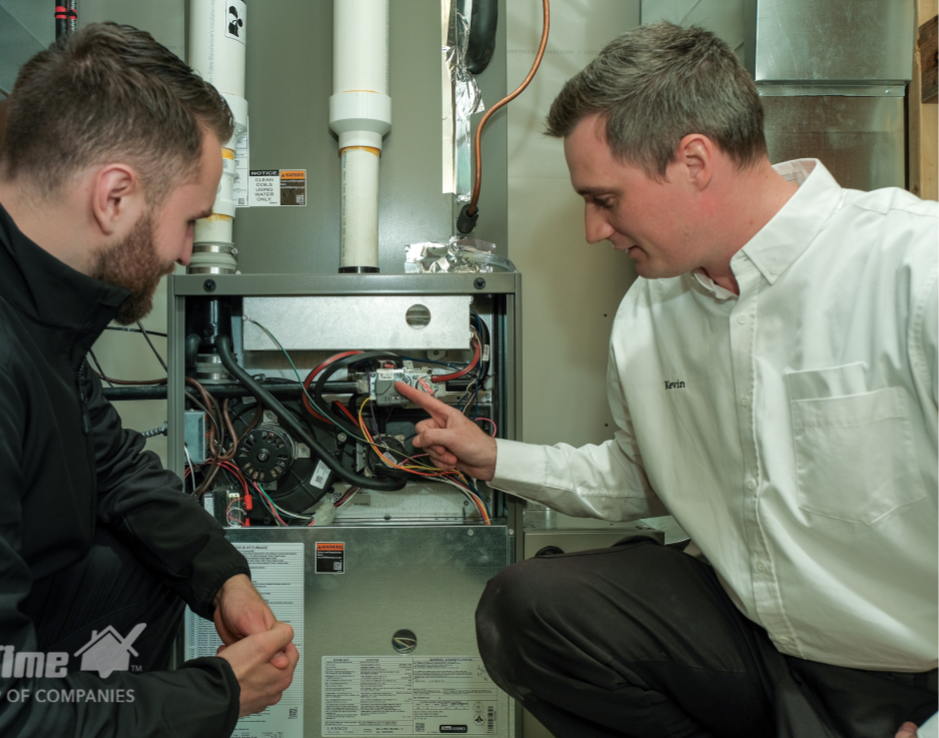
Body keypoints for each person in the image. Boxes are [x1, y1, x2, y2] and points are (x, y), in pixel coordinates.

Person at [397, 21, 937, 738]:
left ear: (693, 161)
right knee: (530, 609)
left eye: (606, 199)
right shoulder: (649, 313)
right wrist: (496, 459)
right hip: (753, 640)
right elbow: (641, 477)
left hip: (903, 677)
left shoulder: (913, 270)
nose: (594, 230)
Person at [0, 23, 297, 737]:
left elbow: (109, 462)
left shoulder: (8, 282)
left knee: (150, 566)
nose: (185, 253)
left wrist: (221, 574)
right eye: (188, 221)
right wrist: (215, 695)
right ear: (115, 197)